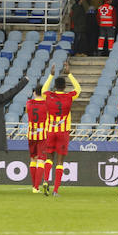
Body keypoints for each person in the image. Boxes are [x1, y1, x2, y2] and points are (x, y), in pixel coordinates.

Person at [40, 63, 81, 196]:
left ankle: (46, 180)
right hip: (63, 132)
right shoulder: (69, 96)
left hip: (50, 131)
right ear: (64, 87)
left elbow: (43, 90)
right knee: (60, 161)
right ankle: (56, 190)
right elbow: (78, 89)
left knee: (49, 158)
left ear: (55, 86)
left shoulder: (48, 95)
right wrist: (69, 73)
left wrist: (50, 75)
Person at [26, 85, 48, 194]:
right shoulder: (46, 104)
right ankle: (36, 187)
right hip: (42, 135)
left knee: (33, 159)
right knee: (41, 160)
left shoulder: (28, 103)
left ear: (34, 92)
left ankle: (34, 187)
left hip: (31, 134)